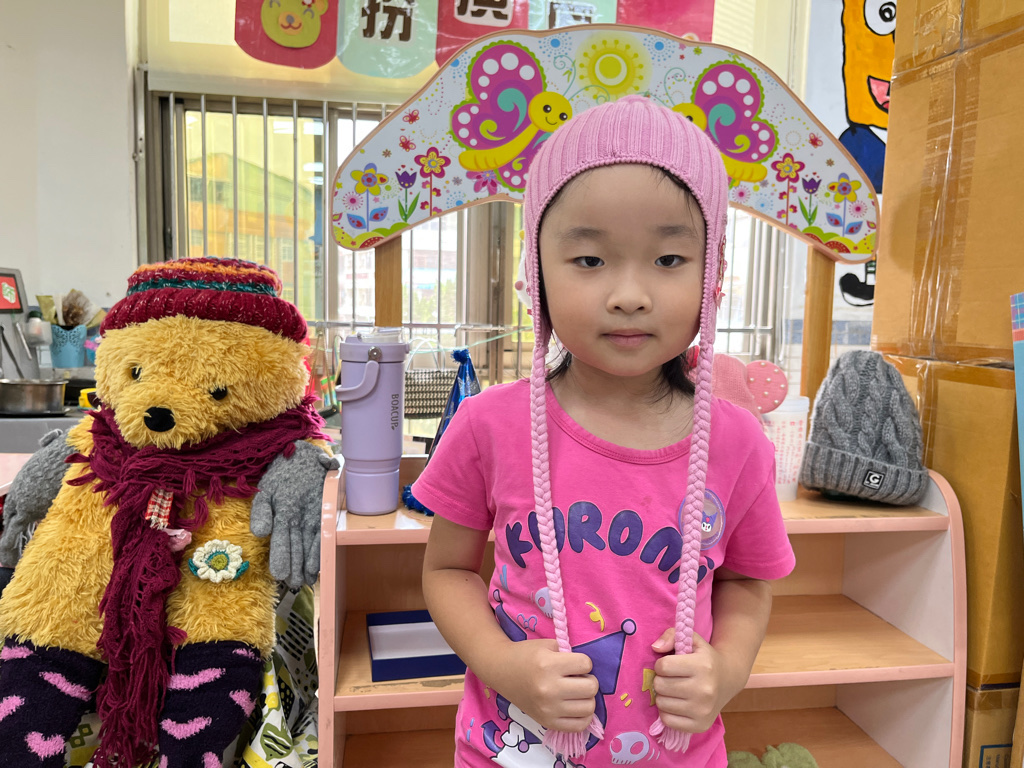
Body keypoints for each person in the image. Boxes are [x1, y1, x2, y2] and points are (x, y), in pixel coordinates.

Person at [413, 95, 796, 768]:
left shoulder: (738, 444)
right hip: (512, 751)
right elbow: (446, 571)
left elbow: (746, 583)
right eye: (590, 260)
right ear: (536, 272)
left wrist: (727, 670)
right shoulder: (488, 426)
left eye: (669, 259)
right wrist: (503, 664)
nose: (629, 295)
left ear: (712, 274)